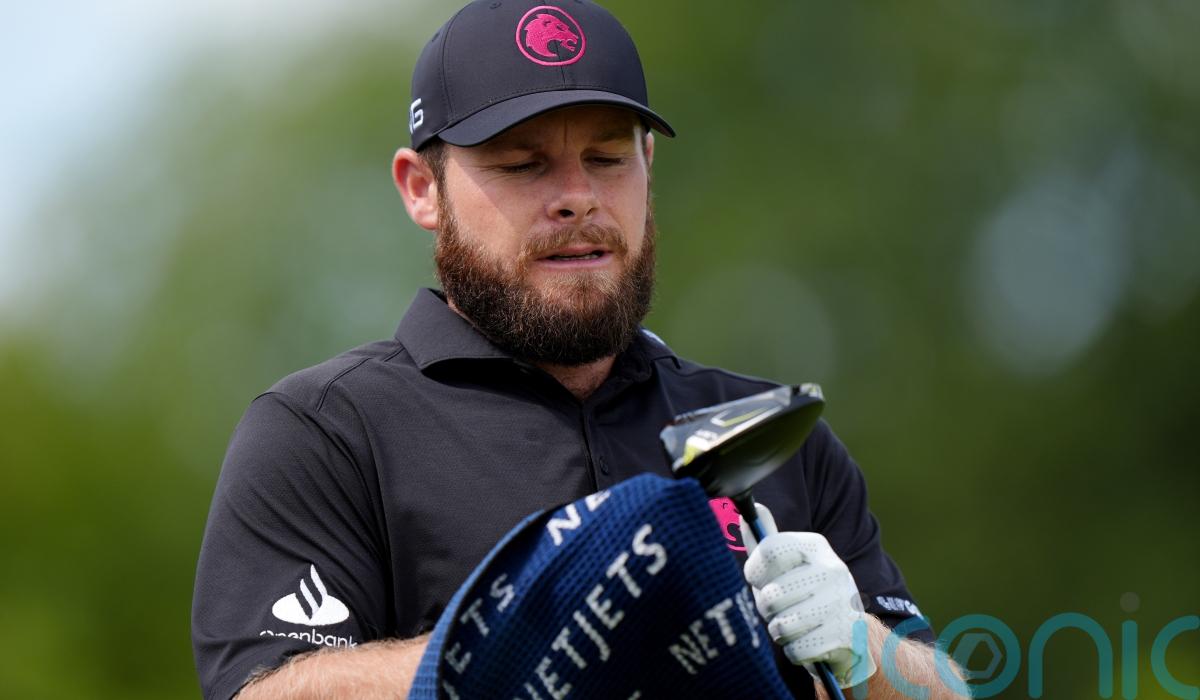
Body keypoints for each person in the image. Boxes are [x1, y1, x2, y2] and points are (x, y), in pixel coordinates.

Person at [191, 1, 963, 698]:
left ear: (648, 165)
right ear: (422, 188)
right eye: (522, 164)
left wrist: (863, 650)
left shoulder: (768, 434)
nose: (577, 197)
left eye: (607, 157)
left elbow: (945, 687)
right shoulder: (328, 431)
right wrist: (521, 638)